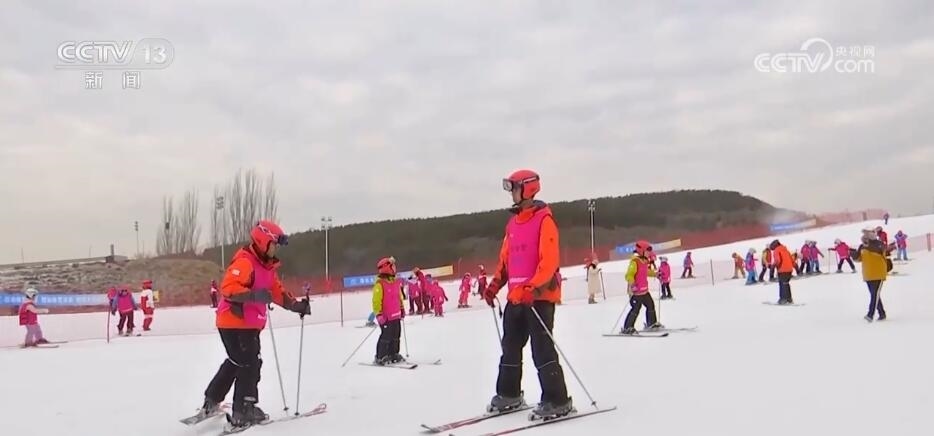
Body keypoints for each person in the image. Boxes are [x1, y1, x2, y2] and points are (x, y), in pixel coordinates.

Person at [195, 220, 311, 431]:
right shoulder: (245, 262)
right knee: (250, 363)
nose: (275, 249)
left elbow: (276, 292)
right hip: (235, 322)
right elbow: (229, 288)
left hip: (247, 324)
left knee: (237, 361)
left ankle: (212, 399)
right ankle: (243, 410)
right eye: (274, 245)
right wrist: (254, 295)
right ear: (263, 241)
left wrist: (296, 305)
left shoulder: (267, 268)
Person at [482, 169, 572, 419]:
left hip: (538, 298)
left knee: (541, 350)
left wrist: (534, 287)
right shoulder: (512, 224)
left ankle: (557, 399)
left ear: (528, 188)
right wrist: (495, 285)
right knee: (510, 347)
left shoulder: (544, 220)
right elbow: (506, 261)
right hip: (516, 298)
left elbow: (549, 261)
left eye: (514, 188)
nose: (511, 193)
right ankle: (508, 394)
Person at [620, 240, 661, 334]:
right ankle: (627, 327)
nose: (649, 253)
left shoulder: (644, 261)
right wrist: (632, 284)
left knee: (650, 305)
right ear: (641, 251)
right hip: (636, 292)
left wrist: (655, 274)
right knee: (635, 309)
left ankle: (651, 323)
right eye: (647, 251)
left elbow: (646, 272)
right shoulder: (635, 262)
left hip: (644, 291)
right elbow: (629, 275)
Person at [372, 257, 406, 364]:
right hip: (386, 317)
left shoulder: (396, 282)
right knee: (386, 336)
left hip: (396, 315)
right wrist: (378, 314)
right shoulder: (380, 284)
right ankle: (380, 356)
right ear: (387, 268)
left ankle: (393, 353)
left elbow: (399, 297)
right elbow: (376, 301)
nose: (394, 268)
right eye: (392, 266)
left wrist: (402, 308)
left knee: (396, 335)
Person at [855, 228, 888, 321]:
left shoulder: (879, 244)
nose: (866, 235)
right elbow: (858, 259)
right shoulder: (862, 246)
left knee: (874, 295)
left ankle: (870, 314)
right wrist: (853, 254)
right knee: (875, 295)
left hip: (879, 273)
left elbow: (881, 250)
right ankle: (882, 313)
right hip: (868, 274)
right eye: (865, 233)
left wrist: (867, 246)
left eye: (868, 233)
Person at [770, 239, 795, 304]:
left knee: (782, 284)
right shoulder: (786, 250)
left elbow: (777, 260)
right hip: (789, 269)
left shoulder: (776, 250)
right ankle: (789, 299)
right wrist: (796, 268)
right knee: (786, 283)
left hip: (782, 270)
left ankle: (783, 299)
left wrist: (773, 266)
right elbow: (792, 259)